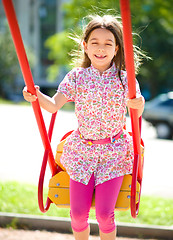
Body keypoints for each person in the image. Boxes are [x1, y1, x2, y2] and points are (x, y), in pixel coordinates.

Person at [23, 15, 145, 240]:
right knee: (78, 215)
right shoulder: (76, 77)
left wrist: (139, 103)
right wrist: (36, 95)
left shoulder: (125, 79)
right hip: (82, 153)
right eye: (95, 43)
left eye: (108, 43)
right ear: (85, 46)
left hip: (113, 153)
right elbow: (52, 106)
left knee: (104, 215)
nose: (101, 49)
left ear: (117, 48)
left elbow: (137, 105)